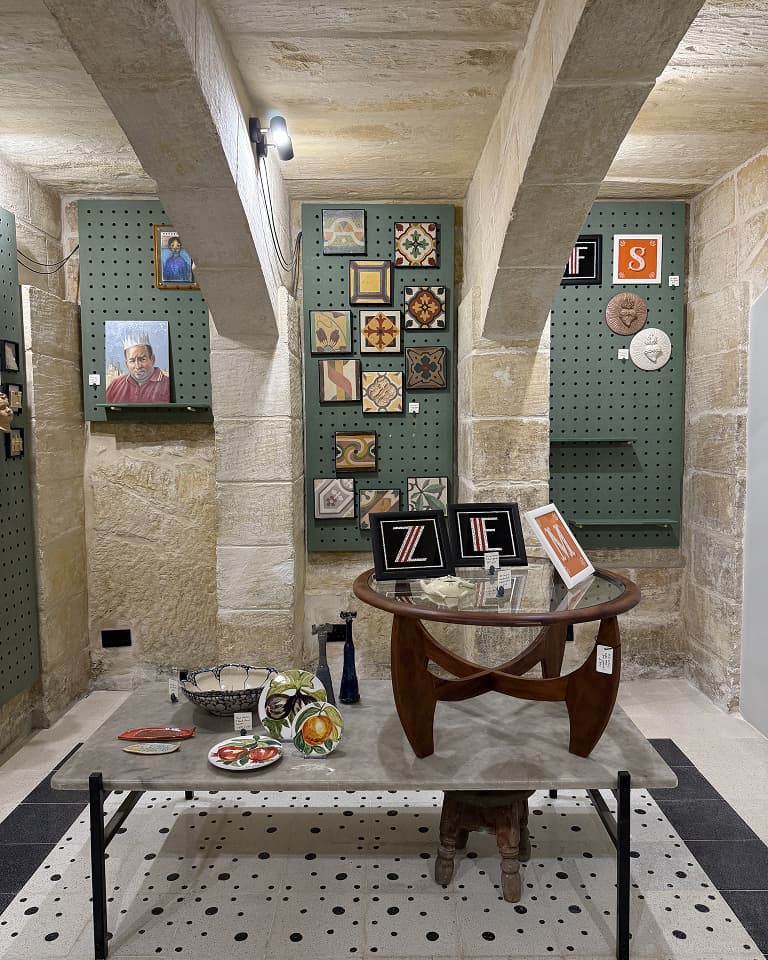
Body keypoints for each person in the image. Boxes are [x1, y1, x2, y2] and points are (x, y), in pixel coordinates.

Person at [105, 334, 170, 403]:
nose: (138, 366)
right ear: (127, 364)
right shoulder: (116, 384)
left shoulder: (167, 384)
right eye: (132, 361)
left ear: (152, 359)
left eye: (142, 359)